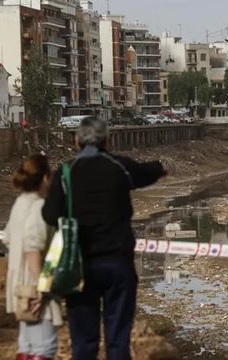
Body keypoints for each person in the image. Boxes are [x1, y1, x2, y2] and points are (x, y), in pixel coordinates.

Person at [42, 118, 166, 360]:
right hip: (117, 264)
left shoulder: (66, 173)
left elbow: (49, 215)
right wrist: (160, 168)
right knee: (118, 339)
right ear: (107, 141)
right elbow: (144, 173)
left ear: (76, 141)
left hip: (79, 266)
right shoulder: (119, 166)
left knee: (83, 341)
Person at [3, 154, 63, 360]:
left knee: (27, 344)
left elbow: (8, 239)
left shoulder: (19, 203)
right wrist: (41, 285)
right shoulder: (39, 207)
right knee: (43, 346)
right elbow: (32, 246)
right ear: (46, 178)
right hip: (34, 283)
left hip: (19, 283)